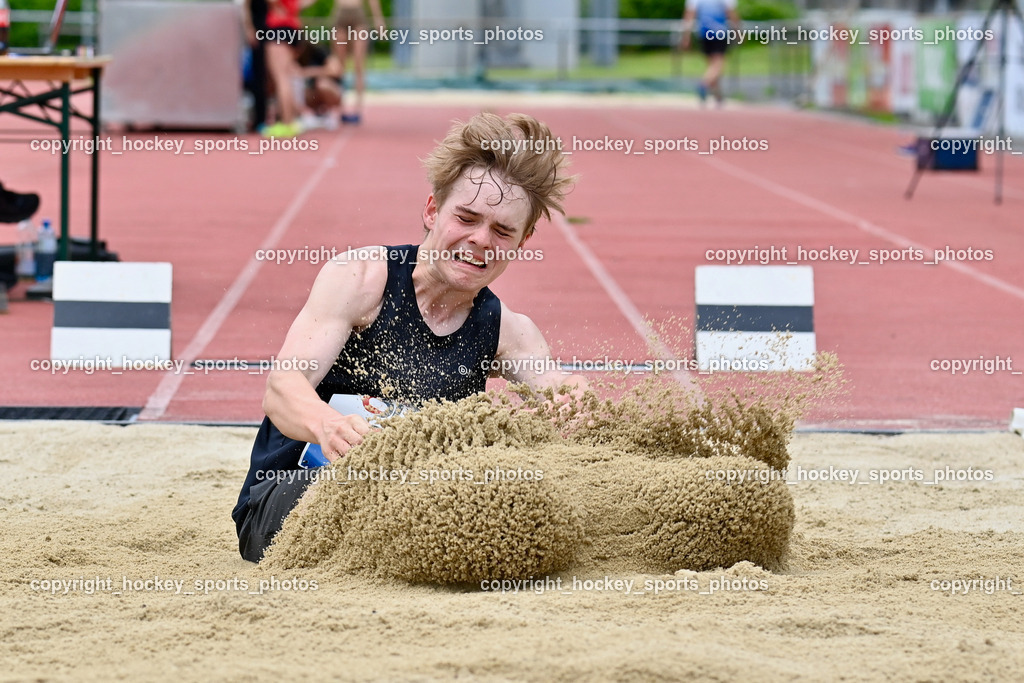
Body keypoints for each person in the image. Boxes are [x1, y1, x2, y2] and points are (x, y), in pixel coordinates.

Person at [232, 112, 583, 562]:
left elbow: (561, 393)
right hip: (289, 502)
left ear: (522, 240)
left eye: (501, 231)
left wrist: (576, 405)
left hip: (421, 506)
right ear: (433, 210)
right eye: (467, 218)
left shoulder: (509, 331)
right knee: (423, 501)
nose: (479, 240)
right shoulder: (359, 280)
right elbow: (283, 389)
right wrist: (329, 427)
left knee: (494, 500)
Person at [331, 0, 384, 124]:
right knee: (340, 66)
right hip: (340, 13)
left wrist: (378, 19)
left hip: (358, 15)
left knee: (359, 65)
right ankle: (340, 109)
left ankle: (358, 109)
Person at [680, 0, 740, 106]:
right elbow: (731, 13)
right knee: (718, 65)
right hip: (719, 32)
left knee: (711, 66)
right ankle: (704, 84)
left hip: (704, 34)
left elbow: (689, 15)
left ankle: (718, 96)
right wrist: (738, 32)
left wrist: (686, 36)